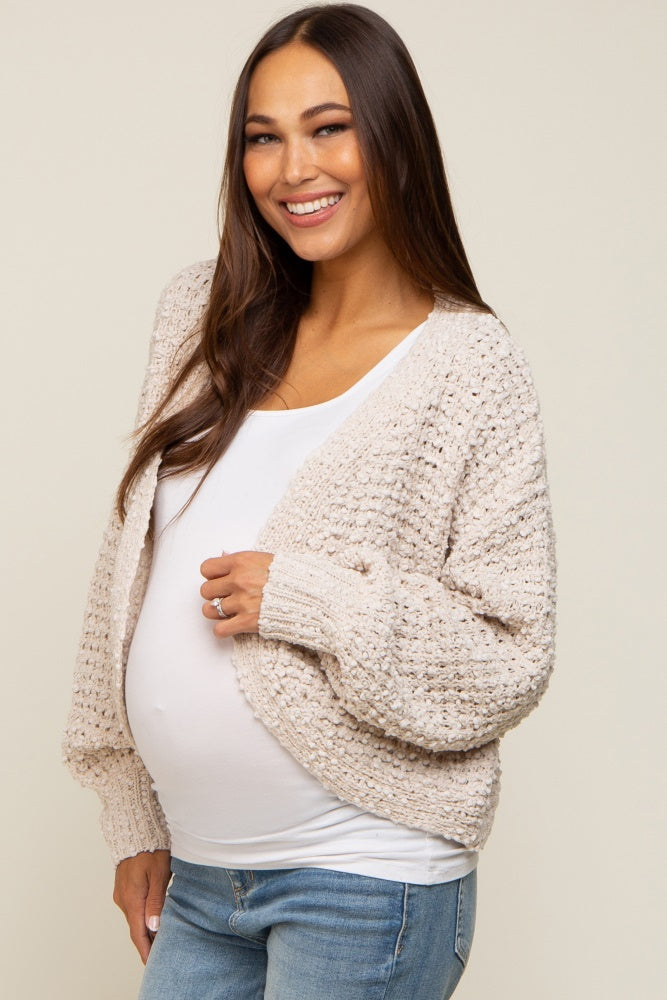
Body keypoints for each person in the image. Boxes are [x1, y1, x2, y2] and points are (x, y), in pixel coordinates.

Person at [63, 4, 557, 998]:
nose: (294, 169)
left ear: (393, 136)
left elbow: (510, 654)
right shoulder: (199, 315)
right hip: (200, 878)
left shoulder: (469, 366)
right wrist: (133, 815)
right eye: (263, 137)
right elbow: (125, 574)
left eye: (328, 128)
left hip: (365, 877)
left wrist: (308, 599)